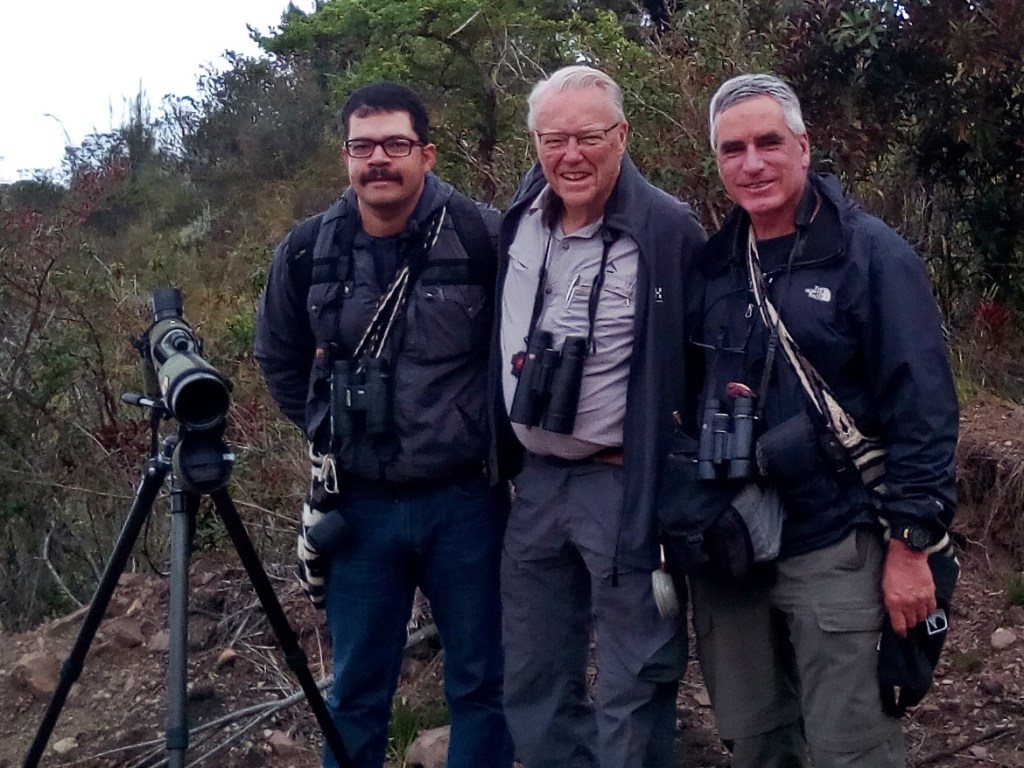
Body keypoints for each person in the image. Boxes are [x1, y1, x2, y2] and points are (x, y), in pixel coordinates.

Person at [684, 73, 959, 767]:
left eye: (769, 142)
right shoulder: (713, 267)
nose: (753, 163)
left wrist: (910, 546)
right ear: (717, 162)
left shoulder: (871, 255)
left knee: (849, 749)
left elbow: (922, 409)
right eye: (733, 149)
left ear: (803, 147)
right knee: (756, 739)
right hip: (735, 549)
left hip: (837, 543)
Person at [254, 82, 513, 768]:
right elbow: (276, 354)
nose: (379, 160)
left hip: (465, 499)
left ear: (426, 154)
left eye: (395, 145)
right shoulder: (309, 250)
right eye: (363, 146)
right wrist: (324, 427)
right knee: (358, 689)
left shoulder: (483, 236)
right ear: (345, 157)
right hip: (359, 505)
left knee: (482, 683)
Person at [492, 65, 707, 768]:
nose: (571, 154)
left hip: (623, 482)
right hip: (536, 483)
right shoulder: (520, 220)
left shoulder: (666, 227)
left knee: (634, 674)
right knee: (532, 672)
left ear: (623, 135)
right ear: (534, 142)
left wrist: (673, 476)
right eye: (554, 139)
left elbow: (700, 358)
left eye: (589, 136)